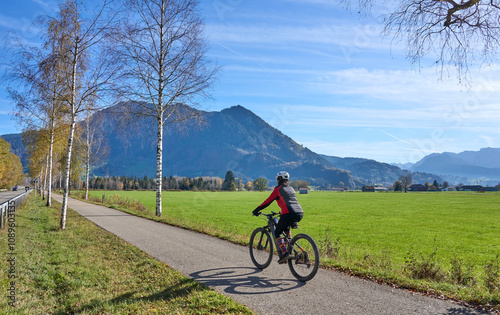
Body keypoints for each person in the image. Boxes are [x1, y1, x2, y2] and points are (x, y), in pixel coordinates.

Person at [252, 171, 304, 264]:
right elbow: (290, 201)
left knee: (277, 232)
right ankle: (290, 249)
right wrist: (282, 211)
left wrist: (257, 210)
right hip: (299, 213)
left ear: (279, 180)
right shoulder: (291, 189)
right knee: (286, 229)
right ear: (287, 180)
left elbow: (267, 202)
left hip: (288, 213)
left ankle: (285, 253)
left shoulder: (278, 189)